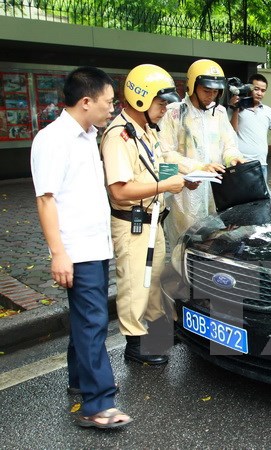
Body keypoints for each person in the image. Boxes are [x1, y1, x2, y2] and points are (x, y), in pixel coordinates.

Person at [31, 66, 131, 428]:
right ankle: (98, 404)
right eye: (108, 102)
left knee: (86, 320)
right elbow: (46, 199)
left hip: (96, 243)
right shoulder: (53, 139)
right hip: (78, 249)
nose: (112, 108)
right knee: (92, 322)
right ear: (86, 101)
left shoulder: (89, 135)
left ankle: (81, 381)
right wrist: (59, 253)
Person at [101, 64, 197, 365]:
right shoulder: (119, 137)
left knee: (155, 279)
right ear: (140, 99)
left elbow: (159, 166)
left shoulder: (144, 130)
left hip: (153, 218)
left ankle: (156, 333)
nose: (165, 110)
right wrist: (166, 184)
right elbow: (118, 191)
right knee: (134, 283)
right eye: (160, 103)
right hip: (132, 224)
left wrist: (187, 176)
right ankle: (135, 344)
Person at [158, 59, 245, 246]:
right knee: (185, 244)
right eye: (206, 90)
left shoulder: (220, 113)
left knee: (214, 241)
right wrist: (199, 167)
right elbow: (165, 155)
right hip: (186, 192)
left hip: (216, 191)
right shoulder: (174, 113)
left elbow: (229, 145)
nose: (211, 96)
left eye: (215, 92)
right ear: (192, 86)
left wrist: (234, 158)